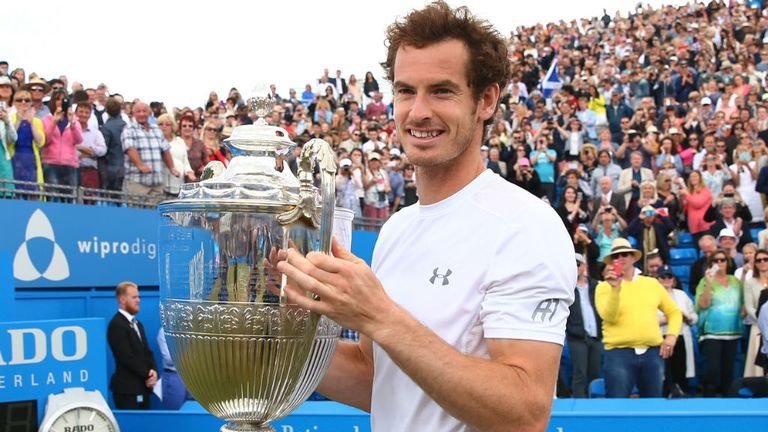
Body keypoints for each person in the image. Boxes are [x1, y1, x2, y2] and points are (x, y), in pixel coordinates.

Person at [274, 3, 575, 430]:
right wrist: (273, 333)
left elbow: (525, 413)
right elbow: (378, 383)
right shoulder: (398, 227)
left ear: (486, 100)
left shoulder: (525, 225)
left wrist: (379, 314)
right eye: (405, 90)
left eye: (442, 90)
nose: (417, 112)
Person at [596, 238, 681, 398]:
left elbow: (674, 312)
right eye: (616, 256)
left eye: (625, 254)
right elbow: (609, 317)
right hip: (618, 353)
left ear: (633, 258)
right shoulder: (603, 287)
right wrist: (615, 290)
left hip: (652, 352)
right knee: (617, 404)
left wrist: (671, 337)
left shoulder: (652, 284)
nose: (620, 258)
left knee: (653, 405)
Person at [695, 249, 744, 397]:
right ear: (711, 264)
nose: (719, 263)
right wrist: (709, 284)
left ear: (727, 262)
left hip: (733, 330)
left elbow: (742, 302)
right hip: (712, 331)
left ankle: (727, 401)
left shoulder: (735, 281)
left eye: (723, 260)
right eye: (716, 260)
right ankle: (707, 395)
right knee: (713, 369)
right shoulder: (704, 281)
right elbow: (703, 305)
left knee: (728, 370)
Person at [107, 281, 157, 409]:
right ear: (123, 299)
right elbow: (126, 357)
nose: (138, 300)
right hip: (127, 392)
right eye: (134, 297)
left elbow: (147, 352)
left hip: (143, 388)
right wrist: (147, 374)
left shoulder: (138, 324)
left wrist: (154, 373)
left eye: (138, 297)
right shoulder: (116, 325)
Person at [121, 102, 179, 203]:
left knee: (154, 216)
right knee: (136, 216)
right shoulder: (129, 129)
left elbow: (165, 150)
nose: (142, 114)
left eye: (144, 111)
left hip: (157, 184)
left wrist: (172, 167)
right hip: (137, 183)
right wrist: (140, 165)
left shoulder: (156, 130)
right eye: (139, 111)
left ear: (149, 113)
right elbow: (130, 148)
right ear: (134, 114)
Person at [656, 265, 698, 397]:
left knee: (680, 372)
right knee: (664, 373)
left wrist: (687, 317)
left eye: (669, 277)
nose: (666, 280)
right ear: (657, 279)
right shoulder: (653, 296)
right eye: (663, 277)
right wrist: (670, 318)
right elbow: (649, 320)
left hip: (681, 336)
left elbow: (694, 316)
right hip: (662, 336)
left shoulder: (682, 295)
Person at [566, 253, 602, 398]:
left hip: (595, 335)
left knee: (594, 372)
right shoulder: (567, 287)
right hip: (577, 336)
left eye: (578, 264)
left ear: (584, 266)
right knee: (579, 373)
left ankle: (593, 407)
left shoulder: (596, 285)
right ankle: (579, 405)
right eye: (572, 264)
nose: (575, 267)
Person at [743, 248, 768, 378]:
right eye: (759, 260)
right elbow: (749, 306)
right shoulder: (749, 283)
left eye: (765, 259)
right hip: (757, 326)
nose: (762, 262)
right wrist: (762, 320)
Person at [156, 113, 194, 197]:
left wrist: (189, 171)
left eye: (167, 124)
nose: (164, 126)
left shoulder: (180, 141)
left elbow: (185, 161)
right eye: (161, 124)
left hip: (180, 184)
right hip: (163, 185)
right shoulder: (155, 142)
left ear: (172, 126)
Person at [156, 328, 193, 410]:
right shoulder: (165, 331)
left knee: (197, 412)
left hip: (194, 377)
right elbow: (169, 359)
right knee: (174, 413)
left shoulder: (194, 330)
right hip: (174, 377)